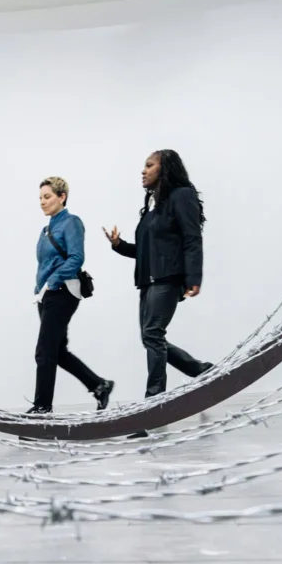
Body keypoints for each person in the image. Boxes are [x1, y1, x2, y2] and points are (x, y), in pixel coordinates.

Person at [103, 150, 213, 401]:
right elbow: (145, 251)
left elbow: (192, 239)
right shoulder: (153, 208)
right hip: (148, 282)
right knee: (150, 337)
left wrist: (194, 278)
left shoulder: (182, 196)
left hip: (168, 279)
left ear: (164, 170)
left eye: (149, 165)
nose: (143, 171)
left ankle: (154, 400)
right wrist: (119, 245)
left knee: (152, 335)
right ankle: (200, 370)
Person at [28, 177, 114, 415]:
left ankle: (42, 406)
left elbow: (76, 258)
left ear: (61, 196)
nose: (42, 202)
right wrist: (40, 289)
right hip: (45, 296)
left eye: (47, 197)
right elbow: (45, 263)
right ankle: (99, 385)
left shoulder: (72, 222)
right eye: (40, 198)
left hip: (63, 292)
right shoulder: (46, 229)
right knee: (57, 352)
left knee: (44, 351)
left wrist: (53, 281)